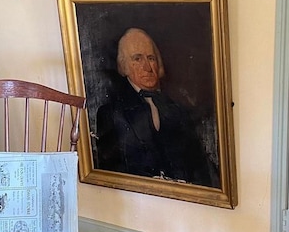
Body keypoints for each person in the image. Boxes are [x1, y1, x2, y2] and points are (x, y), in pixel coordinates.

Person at [94, 27, 219, 187]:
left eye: (151, 58)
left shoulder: (178, 111)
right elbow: (109, 172)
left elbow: (199, 166)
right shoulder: (110, 113)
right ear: (124, 66)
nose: (147, 67)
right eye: (137, 59)